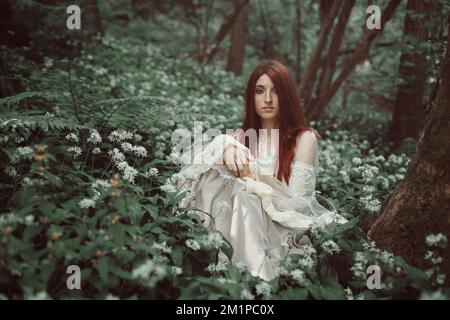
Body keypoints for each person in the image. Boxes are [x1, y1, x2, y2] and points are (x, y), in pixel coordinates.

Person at [174, 60, 346, 281]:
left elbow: (298, 203)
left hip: (280, 226)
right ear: (251, 96)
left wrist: (255, 182)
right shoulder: (241, 137)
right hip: (236, 219)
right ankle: (224, 261)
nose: (267, 99)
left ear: (287, 97)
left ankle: (254, 282)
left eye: (276, 92)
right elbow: (195, 163)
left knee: (245, 194)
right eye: (260, 91)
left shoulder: (304, 138)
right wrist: (225, 146)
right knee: (218, 170)